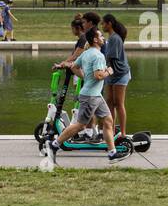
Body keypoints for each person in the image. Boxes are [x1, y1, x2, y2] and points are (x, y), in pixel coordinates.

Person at [45, 28, 120, 162]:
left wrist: (85, 77)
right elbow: (98, 75)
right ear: (95, 40)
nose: (103, 38)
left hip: (95, 95)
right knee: (80, 125)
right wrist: (108, 71)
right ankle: (54, 144)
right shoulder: (98, 56)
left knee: (108, 121)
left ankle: (112, 153)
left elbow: (74, 67)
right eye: (101, 36)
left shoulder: (86, 53)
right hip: (91, 96)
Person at [101, 14, 132, 137]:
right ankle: (111, 131)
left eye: (103, 23)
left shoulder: (115, 38)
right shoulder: (111, 38)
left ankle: (123, 134)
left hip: (120, 73)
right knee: (109, 102)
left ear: (109, 23)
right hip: (110, 73)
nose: (102, 26)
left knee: (118, 103)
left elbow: (111, 58)